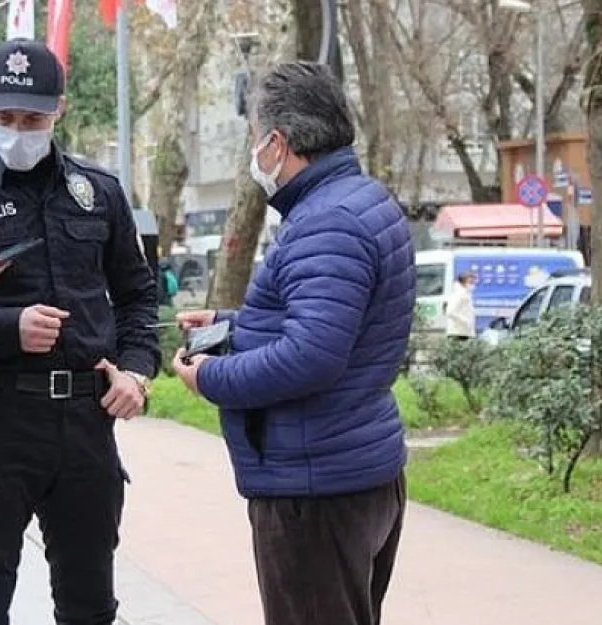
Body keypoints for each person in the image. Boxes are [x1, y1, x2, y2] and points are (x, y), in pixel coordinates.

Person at [0, 39, 160, 625]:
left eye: (32, 119)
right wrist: (5, 328)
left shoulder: (98, 194)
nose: (18, 130)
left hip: (84, 423)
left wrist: (136, 372)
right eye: (5, 118)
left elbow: (137, 297)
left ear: (60, 111)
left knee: (90, 603)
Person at [170, 61, 415, 625]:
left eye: (254, 138)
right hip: (355, 468)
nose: (253, 152)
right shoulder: (360, 201)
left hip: (316, 485)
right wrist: (231, 324)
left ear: (277, 143)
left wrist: (209, 376)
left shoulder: (326, 222)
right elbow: (334, 323)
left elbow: (311, 356)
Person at [445, 271, 476, 340]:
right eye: (470, 282)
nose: (473, 285)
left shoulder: (466, 293)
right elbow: (450, 312)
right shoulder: (459, 294)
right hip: (458, 332)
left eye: (473, 282)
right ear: (463, 282)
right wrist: (465, 321)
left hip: (463, 332)